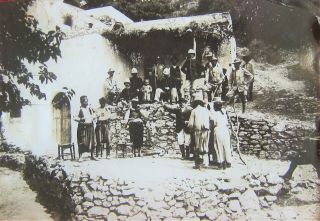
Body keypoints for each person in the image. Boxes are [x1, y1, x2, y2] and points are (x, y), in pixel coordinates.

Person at [188, 96, 211, 169]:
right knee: (205, 146)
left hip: (197, 131)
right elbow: (212, 119)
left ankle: (198, 164)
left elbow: (191, 124)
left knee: (198, 147)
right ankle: (206, 163)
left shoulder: (194, 111)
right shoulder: (206, 110)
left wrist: (190, 129)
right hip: (206, 130)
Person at [210, 97, 232, 169]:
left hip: (218, 129)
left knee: (218, 146)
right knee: (226, 145)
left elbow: (213, 123)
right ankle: (228, 161)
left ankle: (221, 162)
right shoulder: (224, 112)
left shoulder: (215, 114)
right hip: (225, 129)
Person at [74, 96, 96, 160]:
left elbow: (94, 115)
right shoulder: (79, 109)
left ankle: (92, 156)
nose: (86, 102)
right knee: (82, 142)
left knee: (92, 141)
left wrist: (94, 117)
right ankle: (80, 157)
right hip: (82, 128)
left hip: (90, 127)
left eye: (86, 100)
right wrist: (80, 119)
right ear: (81, 102)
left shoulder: (90, 109)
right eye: (84, 101)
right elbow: (74, 117)